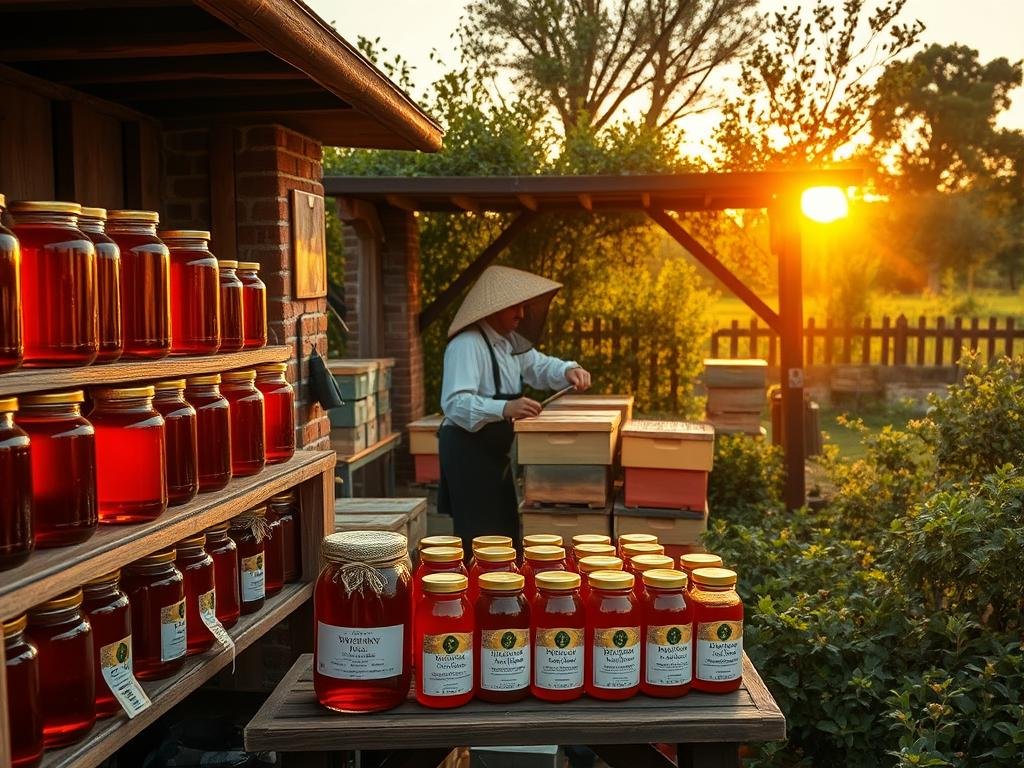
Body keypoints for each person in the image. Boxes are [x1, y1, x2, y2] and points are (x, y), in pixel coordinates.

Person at [438, 265, 592, 553]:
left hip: (494, 456)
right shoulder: (466, 345)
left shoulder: (508, 345)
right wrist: (506, 406)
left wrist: (570, 369)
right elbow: (455, 403)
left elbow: (541, 366)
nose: (521, 314)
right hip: (466, 454)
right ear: (493, 309)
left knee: (504, 531)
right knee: (478, 538)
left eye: (523, 306)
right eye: (514, 306)